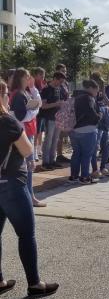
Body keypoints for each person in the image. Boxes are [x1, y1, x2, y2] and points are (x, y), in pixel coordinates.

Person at [0, 80, 59, 297]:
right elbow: (26, 150)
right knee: (26, 234)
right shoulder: (8, 121)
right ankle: (34, 283)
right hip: (12, 183)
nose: (8, 97)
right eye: (6, 93)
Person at [9, 68, 46, 208]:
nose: (30, 78)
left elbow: (38, 102)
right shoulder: (18, 94)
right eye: (28, 76)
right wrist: (35, 110)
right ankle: (29, 197)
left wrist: (33, 91)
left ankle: (29, 197)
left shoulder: (22, 92)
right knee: (28, 168)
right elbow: (22, 116)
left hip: (26, 133)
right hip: (23, 134)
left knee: (27, 168)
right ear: (22, 78)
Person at [69, 80, 101, 184]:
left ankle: (74, 176)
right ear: (91, 88)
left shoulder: (77, 97)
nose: (97, 93)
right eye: (97, 91)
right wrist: (99, 116)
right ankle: (85, 177)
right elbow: (92, 114)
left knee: (76, 153)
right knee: (87, 155)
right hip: (88, 130)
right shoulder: (89, 98)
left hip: (75, 130)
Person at [40, 71, 67, 170]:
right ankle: (45, 162)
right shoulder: (46, 89)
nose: (60, 84)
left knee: (55, 139)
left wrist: (62, 104)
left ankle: (52, 160)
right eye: (60, 81)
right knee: (49, 140)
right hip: (49, 118)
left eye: (62, 82)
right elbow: (43, 106)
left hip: (58, 117)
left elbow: (61, 101)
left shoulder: (59, 89)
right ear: (54, 78)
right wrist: (56, 104)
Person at [90, 73, 109, 178]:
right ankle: (95, 169)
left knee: (107, 145)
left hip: (105, 120)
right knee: (96, 146)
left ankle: (103, 167)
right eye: (99, 82)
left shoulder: (101, 93)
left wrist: (103, 92)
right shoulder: (91, 94)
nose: (101, 84)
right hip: (97, 120)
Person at [55, 63, 71, 164]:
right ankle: (58, 155)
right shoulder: (56, 83)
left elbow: (67, 95)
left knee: (63, 134)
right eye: (62, 71)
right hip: (57, 111)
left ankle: (60, 154)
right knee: (58, 135)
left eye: (65, 71)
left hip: (66, 110)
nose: (64, 73)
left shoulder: (66, 83)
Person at [32, 67, 47, 161]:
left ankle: (38, 150)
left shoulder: (43, 84)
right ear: (36, 75)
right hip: (35, 111)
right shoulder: (33, 84)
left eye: (43, 75)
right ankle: (33, 152)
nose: (42, 77)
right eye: (41, 75)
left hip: (42, 112)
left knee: (41, 131)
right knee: (35, 132)